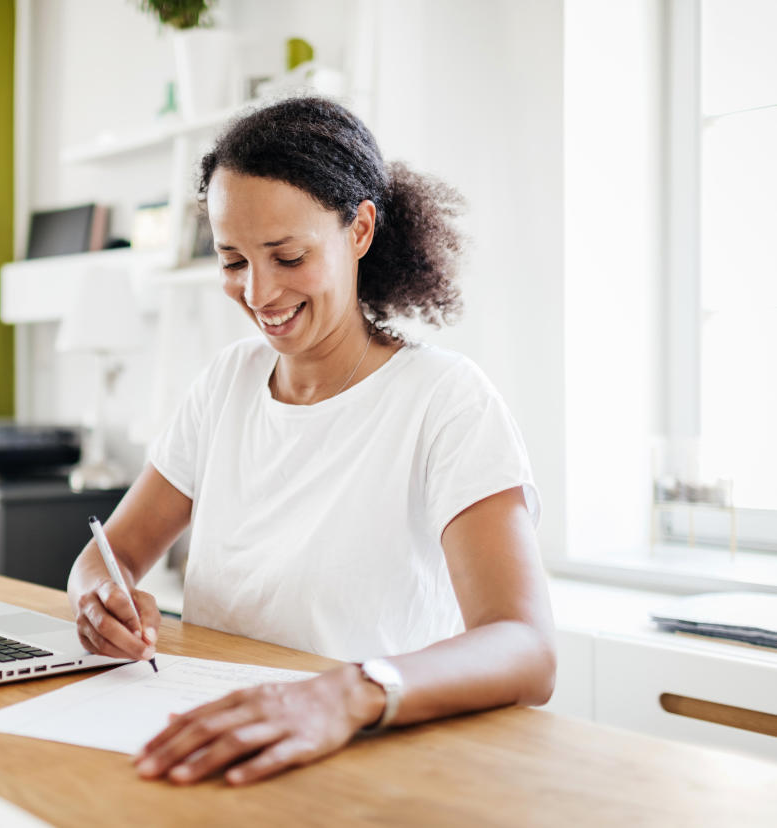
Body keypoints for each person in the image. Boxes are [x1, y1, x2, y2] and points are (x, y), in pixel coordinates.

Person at [66, 96, 555, 786]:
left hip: (365, 761)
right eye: (233, 260)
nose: (259, 292)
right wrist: (96, 599)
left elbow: (527, 651)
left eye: (287, 256)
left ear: (359, 229)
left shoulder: (446, 401)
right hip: (219, 745)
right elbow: (108, 556)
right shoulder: (226, 385)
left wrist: (344, 693)